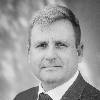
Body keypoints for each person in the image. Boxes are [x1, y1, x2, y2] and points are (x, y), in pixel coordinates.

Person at [14, 4, 100, 100]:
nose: (50, 56)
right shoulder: (21, 98)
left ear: (79, 52)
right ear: (29, 53)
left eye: (60, 45)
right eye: (42, 45)